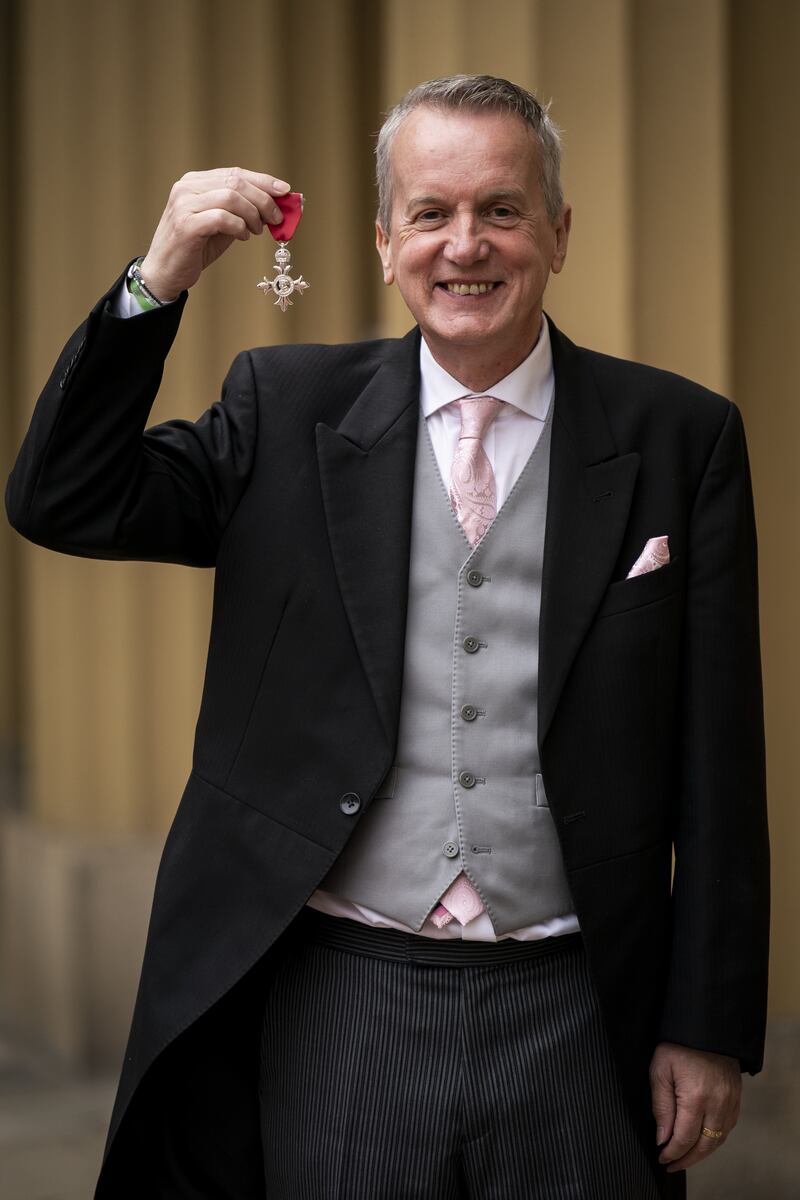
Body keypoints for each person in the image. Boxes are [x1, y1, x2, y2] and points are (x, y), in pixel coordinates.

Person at [6, 75, 769, 1199]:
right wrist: (156, 277)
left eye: (502, 210)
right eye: (430, 213)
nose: (466, 245)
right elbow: (62, 497)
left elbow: (720, 756)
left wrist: (705, 1024)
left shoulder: (678, 436)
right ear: (381, 243)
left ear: (557, 234)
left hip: (578, 1000)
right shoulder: (283, 408)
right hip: (343, 995)